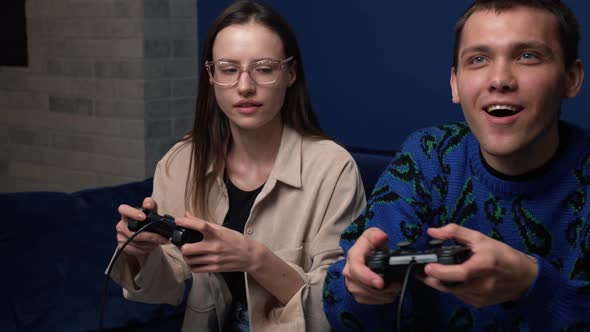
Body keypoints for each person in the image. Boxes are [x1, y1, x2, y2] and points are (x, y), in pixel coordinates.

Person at [323, 0, 589, 331]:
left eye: (527, 56)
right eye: (478, 59)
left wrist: (533, 285)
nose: (500, 79)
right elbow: (342, 309)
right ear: (455, 83)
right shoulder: (428, 156)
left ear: (571, 79)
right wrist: (361, 290)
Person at [107, 1, 366, 331]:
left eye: (264, 68)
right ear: (211, 76)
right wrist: (142, 253)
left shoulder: (333, 168)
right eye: (229, 69)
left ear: (290, 73)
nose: (245, 86)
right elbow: (162, 291)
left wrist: (255, 259)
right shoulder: (180, 162)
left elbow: (338, 304)